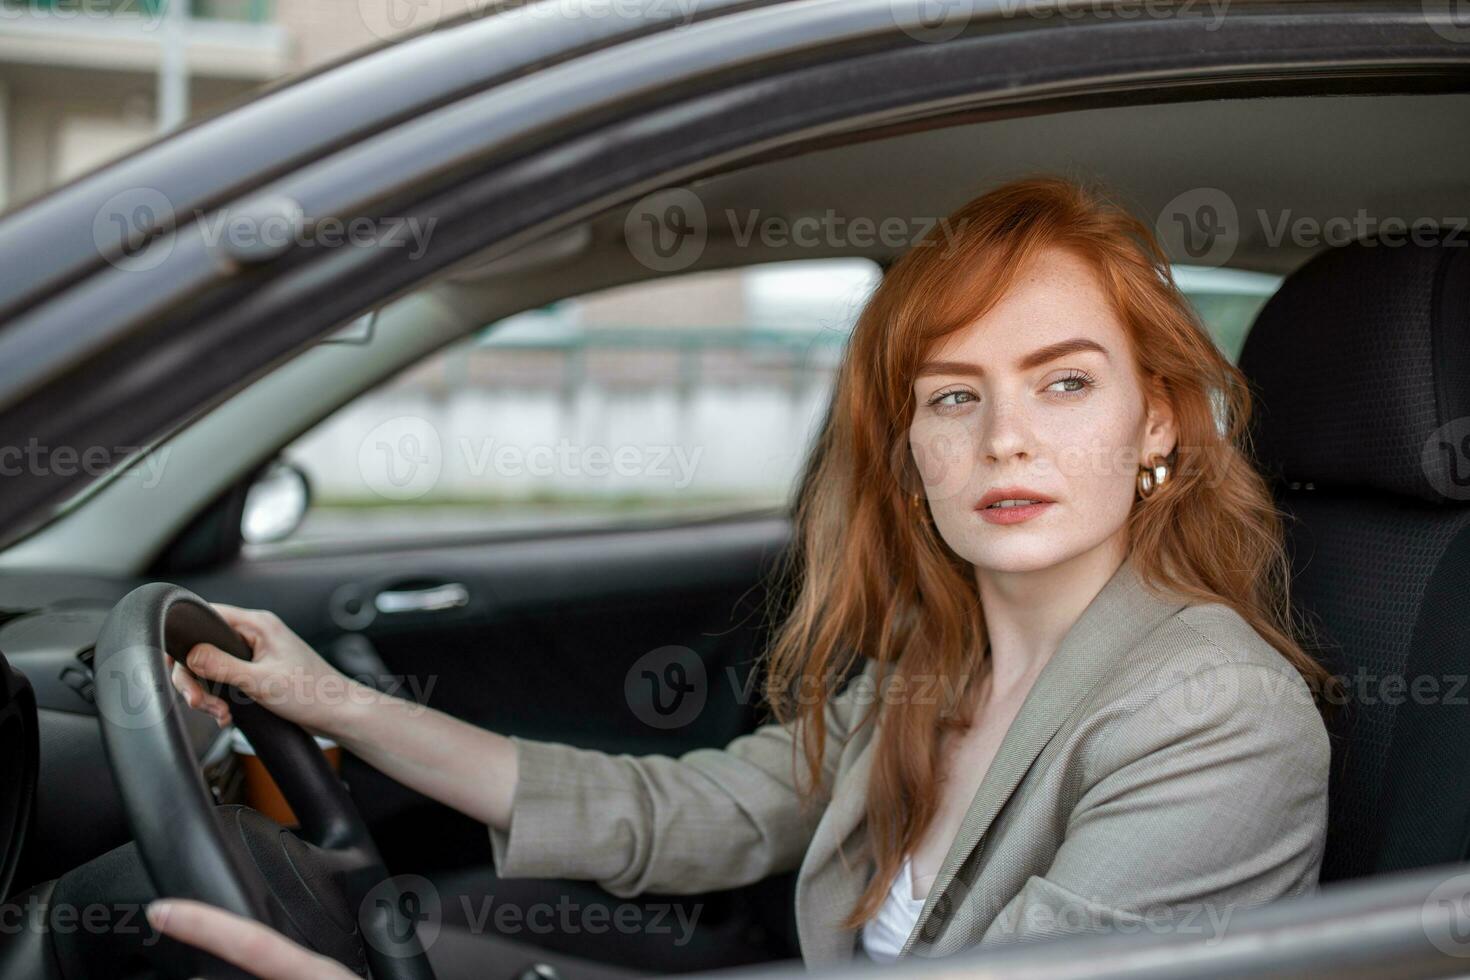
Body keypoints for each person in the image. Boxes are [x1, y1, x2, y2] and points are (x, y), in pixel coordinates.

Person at [155, 174, 1332, 978]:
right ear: (913, 449)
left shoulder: (1214, 712)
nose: (1003, 436)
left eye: (1065, 381)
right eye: (954, 395)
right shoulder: (938, 660)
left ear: (1161, 422)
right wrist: (338, 704)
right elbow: (697, 813)